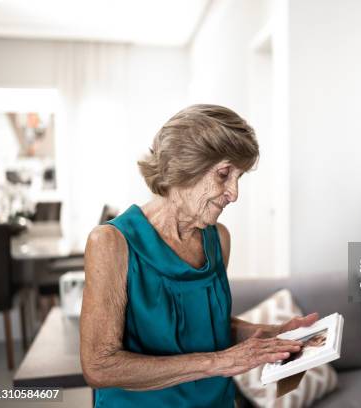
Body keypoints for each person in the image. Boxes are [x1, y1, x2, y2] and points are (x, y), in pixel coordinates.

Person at [80, 104, 318, 407]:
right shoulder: (111, 243)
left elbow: (205, 327)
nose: (234, 193)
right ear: (184, 167)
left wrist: (270, 336)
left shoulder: (217, 238)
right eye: (224, 174)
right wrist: (220, 362)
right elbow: (99, 366)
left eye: (239, 178)